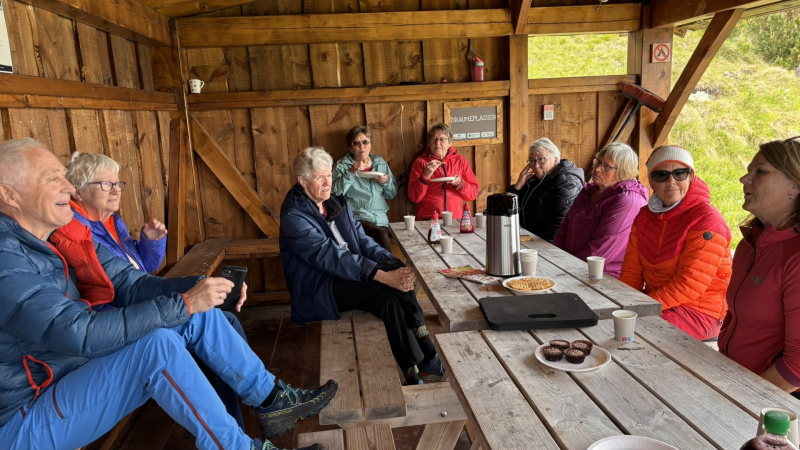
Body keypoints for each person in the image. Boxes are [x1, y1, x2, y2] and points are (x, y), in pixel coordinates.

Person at [0, 138, 336, 450]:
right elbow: (78, 333)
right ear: (9, 195)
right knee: (157, 347)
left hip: (73, 373)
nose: (69, 187)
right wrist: (186, 302)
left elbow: (133, 284)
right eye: (50, 178)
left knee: (198, 315)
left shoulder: (63, 239)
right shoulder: (6, 260)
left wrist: (202, 290)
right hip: (26, 414)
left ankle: (272, 400)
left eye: (64, 175)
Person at [64, 150, 248, 429]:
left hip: (144, 303)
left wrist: (149, 242)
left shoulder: (111, 223)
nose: (116, 190)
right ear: (77, 191)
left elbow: (143, 270)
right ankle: (246, 413)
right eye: (106, 184)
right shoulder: (78, 232)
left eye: (118, 183)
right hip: (122, 319)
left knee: (218, 318)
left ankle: (248, 408)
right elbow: (118, 289)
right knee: (219, 322)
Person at [280, 147, 443, 386]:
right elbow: (330, 256)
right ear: (302, 181)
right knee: (385, 287)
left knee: (392, 294)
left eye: (330, 175)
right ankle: (427, 353)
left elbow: (362, 241)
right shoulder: (294, 217)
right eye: (320, 177)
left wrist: (393, 265)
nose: (328, 183)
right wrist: (381, 275)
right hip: (322, 286)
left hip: (353, 272)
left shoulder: (334, 202)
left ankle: (413, 372)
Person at [620, 145, 732, 340]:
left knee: (636, 336)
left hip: (701, 311)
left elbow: (690, 283)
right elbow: (632, 269)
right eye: (662, 175)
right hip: (658, 304)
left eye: (680, 173)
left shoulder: (707, 219)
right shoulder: (645, 215)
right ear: (652, 182)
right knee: (612, 323)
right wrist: (622, 303)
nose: (671, 181)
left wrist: (641, 308)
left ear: (691, 177)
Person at [718, 138, 800, 393]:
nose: (744, 179)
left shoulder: (795, 256)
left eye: (760, 171)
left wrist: (742, 398)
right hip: (733, 377)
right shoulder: (750, 243)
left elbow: (797, 367)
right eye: (749, 170)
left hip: (777, 404)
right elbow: (734, 314)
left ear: (795, 186)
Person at [553, 143, 647, 278]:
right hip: (572, 267)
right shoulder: (591, 190)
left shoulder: (628, 201)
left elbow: (601, 250)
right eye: (598, 162)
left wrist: (563, 269)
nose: (597, 169)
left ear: (623, 171)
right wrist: (555, 257)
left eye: (606, 167)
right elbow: (565, 227)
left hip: (604, 276)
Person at [332, 126, 398, 251]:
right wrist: (351, 173)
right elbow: (334, 194)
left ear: (370, 144)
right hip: (357, 218)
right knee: (379, 235)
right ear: (351, 147)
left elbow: (392, 194)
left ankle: (382, 269)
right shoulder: (342, 166)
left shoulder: (380, 163)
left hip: (380, 220)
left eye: (365, 142)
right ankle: (394, 268)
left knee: (378, 239)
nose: (361, 146)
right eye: (356, 143)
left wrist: (386, 181)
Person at [508, 137, 583, 242]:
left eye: (541, 159)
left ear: (555, 159)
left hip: (548, 244)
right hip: (529, 238)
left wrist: (539, 246)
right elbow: (507, 209)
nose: (536, 165)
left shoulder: (567, 183)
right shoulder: (534, 180)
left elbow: (559, 223)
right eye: (532, 161)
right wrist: (517, 187)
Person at [407, 123, 479, 220]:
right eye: (433, 139)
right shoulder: (420, 162)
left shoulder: (460, 161)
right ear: (429, 143)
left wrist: (460, 184)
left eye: (442, 139)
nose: (437, 144)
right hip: (428, 218)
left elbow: (473, 194)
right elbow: (414, 197)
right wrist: (425, 177)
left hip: (455, 218)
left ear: (450, 142)